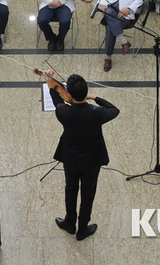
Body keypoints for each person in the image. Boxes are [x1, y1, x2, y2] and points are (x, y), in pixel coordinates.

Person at [40, 70, 118, 240]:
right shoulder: (96, 113)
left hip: (70, 158)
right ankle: (82, 229)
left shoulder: (63, 112)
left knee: (70, 189)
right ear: (86, 89)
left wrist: (50, 82)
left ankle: (70, 223)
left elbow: (56, 99)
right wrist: (94, 97)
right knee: (88, 194)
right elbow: (114, 109)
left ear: (69, 94)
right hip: (92, 160)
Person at [98, 0, 145, 71]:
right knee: (108, 11)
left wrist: (128, 9)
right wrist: (103, 3)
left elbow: (139, 0)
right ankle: (123, 41)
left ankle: (108, 57)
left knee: (109, 26)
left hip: (125, 13)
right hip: (111, 8)